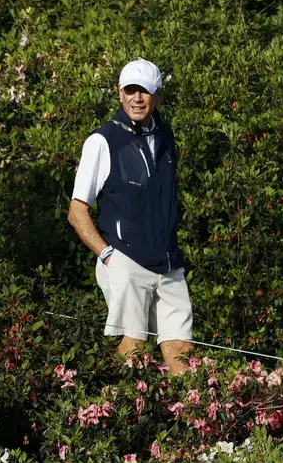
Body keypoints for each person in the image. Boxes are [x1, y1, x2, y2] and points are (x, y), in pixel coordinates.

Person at [68, 59, 194, 374]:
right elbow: (77, 210)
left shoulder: (166, 136)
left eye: (145, 91)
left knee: (182, 350)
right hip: (124, 259)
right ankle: (123, 415)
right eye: (130, 90)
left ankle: (188, 418)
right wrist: (107, 255)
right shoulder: (101, 141)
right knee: (133, 347)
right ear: (120, 94)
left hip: (169, 264)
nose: (137, 98)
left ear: (158, 97)